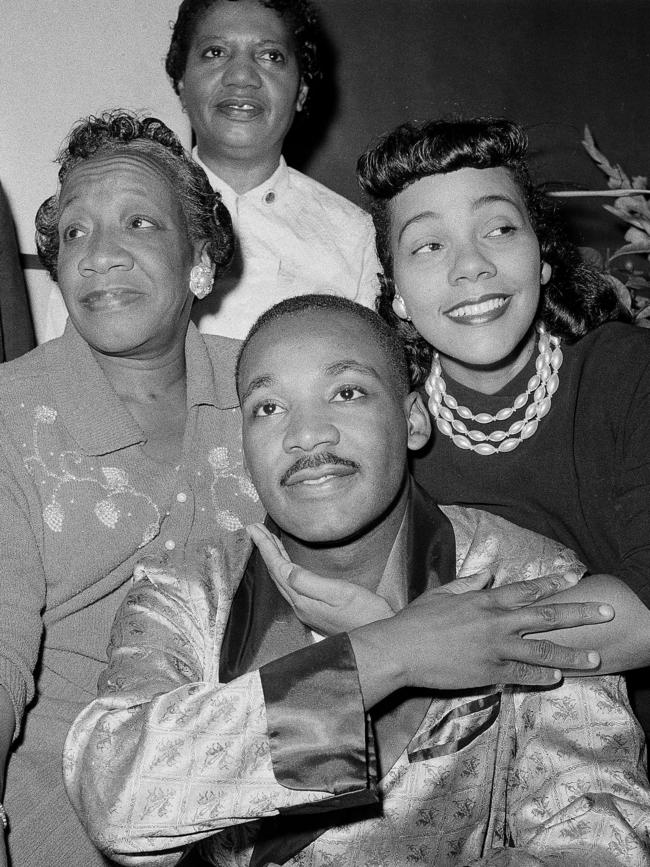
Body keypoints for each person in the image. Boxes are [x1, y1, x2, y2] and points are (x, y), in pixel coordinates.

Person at [65, 295, 649, 867]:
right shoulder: (185, 592)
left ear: (414, 418)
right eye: (268, 408)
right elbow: (115, 796)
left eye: (347, 393)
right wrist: (389, 652)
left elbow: (601, 832)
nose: (307, 435)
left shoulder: (523, 575)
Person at [0, 110, 263, 867]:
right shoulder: (11, 416)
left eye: (138, 223)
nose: (99, 254)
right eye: (75, 233)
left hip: (263, 810)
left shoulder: (269, 389)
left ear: (201, 261)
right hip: (60, 831)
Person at [356, 116, 650, 733]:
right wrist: (406, 647)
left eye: (499, 228)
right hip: (452, 762)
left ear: (542, 258)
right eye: (429, 245)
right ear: (398, 294)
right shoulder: (383, 425)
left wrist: (420, 647)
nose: (472, 266)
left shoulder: (627, 373)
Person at [165, 0, 381, 338]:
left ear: (301, 92)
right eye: (215, 52)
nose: (241, 76)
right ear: (181, 83)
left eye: (270, 56)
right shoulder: (125, 210)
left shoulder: (354, 237)